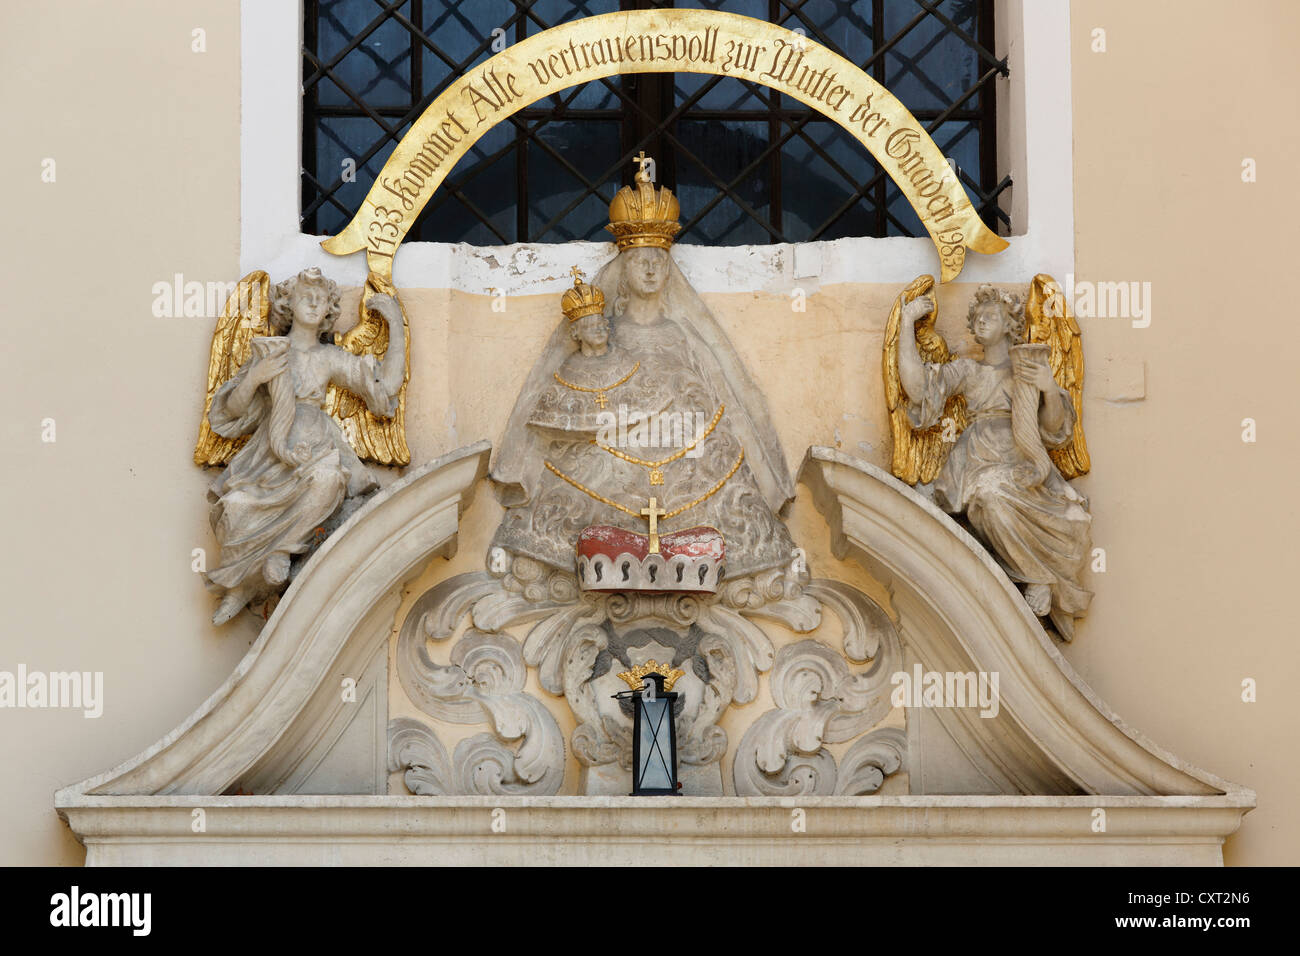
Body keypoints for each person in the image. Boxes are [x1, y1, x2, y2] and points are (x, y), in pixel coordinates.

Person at [204, 268, 405, 624]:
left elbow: (385, 389)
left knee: (328, 482)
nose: (313, 303)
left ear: (330, 308)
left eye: (321, 298)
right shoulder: (268, 354)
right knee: (235, 507)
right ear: (287, 303)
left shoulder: (330, 358)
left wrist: (396, 327)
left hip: (315, 447)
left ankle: (282, 550)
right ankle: (240, 586)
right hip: (267, 457)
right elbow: (229, 414)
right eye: (304, 296)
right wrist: (255, 378)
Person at [897, 284, 1092, 638]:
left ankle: (1037, 576)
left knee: (997, 495)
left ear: (1009, 325)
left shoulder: (1027, 368)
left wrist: (1048, 389)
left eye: (992, 315)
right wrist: (906, 325)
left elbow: (1055, 430)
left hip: (1021, 454)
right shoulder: (968, 372)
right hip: (977, 457)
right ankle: (1031, 575)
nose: (982, 320)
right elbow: (919, 390)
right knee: (986, 495)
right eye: (978, 316)